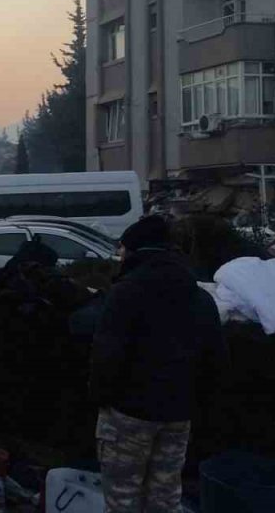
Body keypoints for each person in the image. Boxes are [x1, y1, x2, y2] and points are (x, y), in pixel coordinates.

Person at [90, 216, 227, 513]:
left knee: (123, 499)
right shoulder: (199, 296)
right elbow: (215, 359)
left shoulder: (125, 293)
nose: (120, 255)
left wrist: (102, 398)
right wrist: (194, 404)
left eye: (123, 248)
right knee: (165, 499)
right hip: (178, 416)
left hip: (129, 416)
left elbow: (106, 357)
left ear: (136, 250)